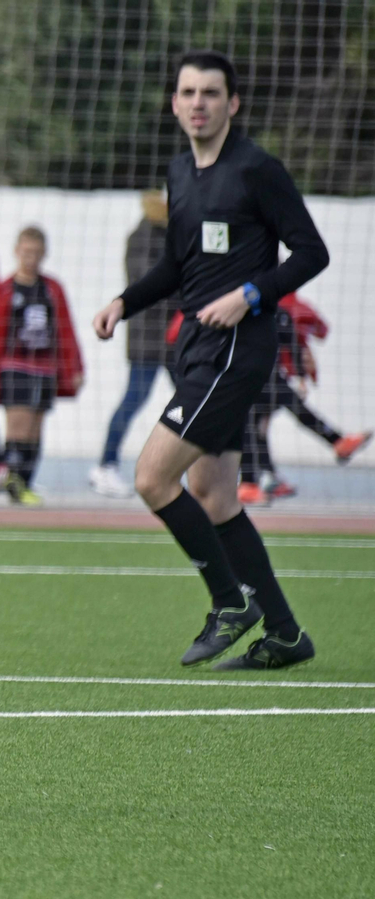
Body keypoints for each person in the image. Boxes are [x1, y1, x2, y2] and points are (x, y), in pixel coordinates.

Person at [92, 51, 329, 671]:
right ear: (175, 103)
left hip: (236, 349)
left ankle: (230, 602)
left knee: (150, 477)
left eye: (211, 92)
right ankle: (283, 634)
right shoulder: (179, 173)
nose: (198, 102)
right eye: (189, 92)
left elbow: (311, 252)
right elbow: (177, 266)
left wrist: (251, 294)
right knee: (214, 494)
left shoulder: (257, 170)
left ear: (233, 103)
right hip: (196, 346)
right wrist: (124, 300)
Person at [237, 292, 370, 503]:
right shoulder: (244, 305)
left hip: (266, 376)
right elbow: (314, 332)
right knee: (257, 426)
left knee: (256, 427)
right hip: (246, 377)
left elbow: (305, 337)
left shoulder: (281, 309)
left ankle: (256, 481)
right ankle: (335, 441)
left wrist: (300, 373)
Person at [90, 189, 180, 499]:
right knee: (135, 399)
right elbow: (151, 282)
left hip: (169, 335)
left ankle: (190, 463)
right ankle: (106, 464)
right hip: (151, 336)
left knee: (188, 399)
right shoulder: (146, 237)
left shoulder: (163, 235)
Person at [0, 226, 84, 507]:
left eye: (36, 253)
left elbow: (65, 329)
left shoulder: (52, 289)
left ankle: (25, 482)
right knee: (17, 424)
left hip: (44, 367)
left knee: (36, 428)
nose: (31, 258)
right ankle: (12, 482)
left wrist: (74, 367)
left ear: (44, 254)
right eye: (26, 252)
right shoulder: (4, 290)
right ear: (17, 252)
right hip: (14, 365)